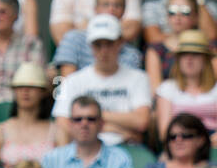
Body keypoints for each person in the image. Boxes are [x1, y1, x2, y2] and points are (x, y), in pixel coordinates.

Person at [51, 15, 151, 147]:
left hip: (125, 147)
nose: (104, 51)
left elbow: (141, 121)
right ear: (90, 46)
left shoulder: (139, 77)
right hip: (84, 147)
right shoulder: (71, 80)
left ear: (120, 42)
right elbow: (62, 123)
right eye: (98, 45)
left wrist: (89, 118)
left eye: (109, 44)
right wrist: (110, 127)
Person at [0, 64, 63, 168]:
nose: (25, 91)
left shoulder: (58, 132)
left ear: (43, 92)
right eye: (20, 87)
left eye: (31, 87)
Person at [154, 30, 217, 145]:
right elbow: (164, 133)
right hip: (178, 145)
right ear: (178, 59)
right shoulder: (166, 88)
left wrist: (201, 146)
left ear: (205, 59)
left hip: (213, 146)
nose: (189, 59)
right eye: (184, 54)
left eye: (195, 54)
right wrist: (186, 146)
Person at [56, 0, 144, 79]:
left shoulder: (132, 54)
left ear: (124, 11)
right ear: (95, 8)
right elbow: (67, 81)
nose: (111, 9)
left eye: (117, 5)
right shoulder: (73, 38)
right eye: (106, 4)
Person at [143, 0, 217, 93]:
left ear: (196, 16)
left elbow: (215, 82)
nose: (178, 16)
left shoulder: (208, 47)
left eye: (185, 11)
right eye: (172, 11)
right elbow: (155, 90)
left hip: (203, 103)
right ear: (167, 16)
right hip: (167, 105)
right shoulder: (155, 50)